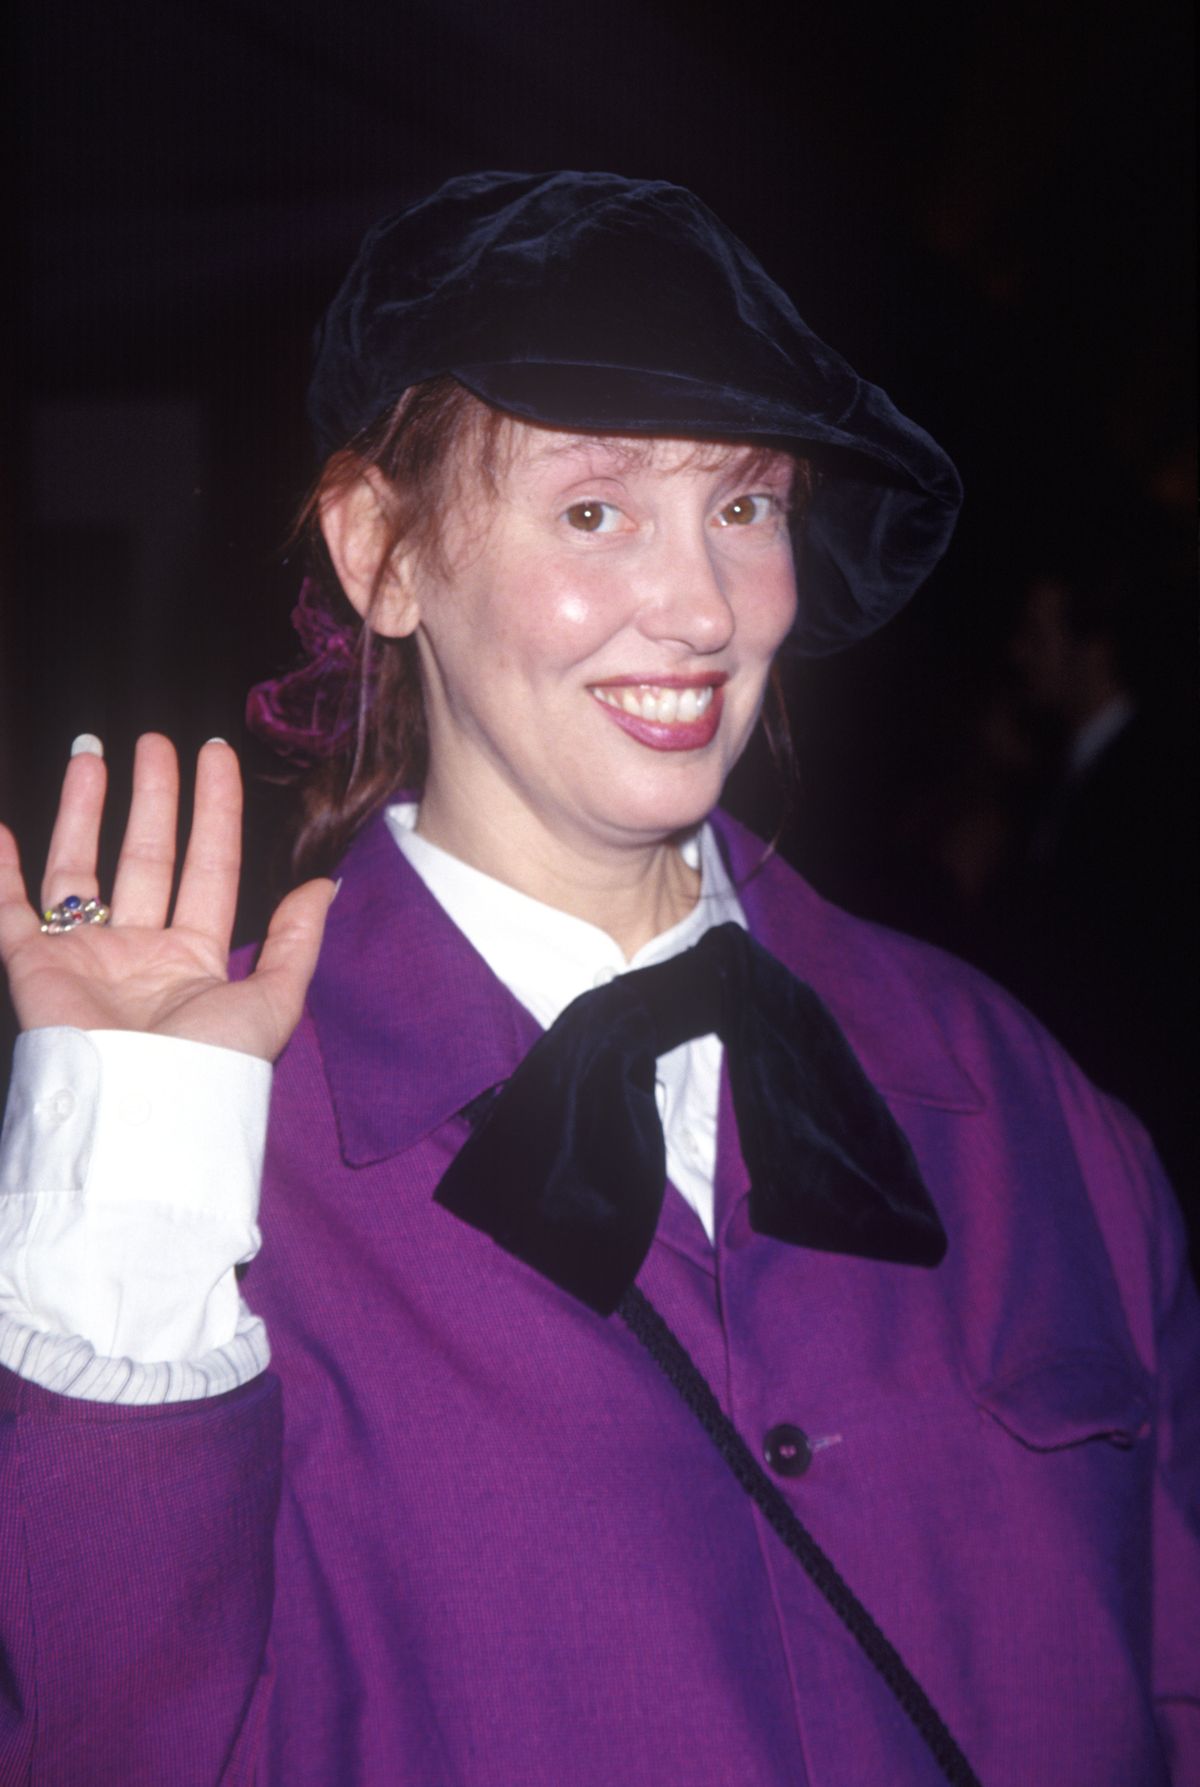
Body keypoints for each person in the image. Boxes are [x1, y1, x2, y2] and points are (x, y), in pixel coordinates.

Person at [0, 171, 1196, 1787]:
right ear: (383, 550)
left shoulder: (1018, 1096)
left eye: (747, 505)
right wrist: (124, 1244)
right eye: (594, 508)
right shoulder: (208, 1150)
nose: (704, 606)